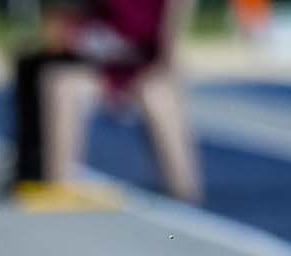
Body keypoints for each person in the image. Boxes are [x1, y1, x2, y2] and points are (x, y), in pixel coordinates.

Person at [11, 0, 201, 202]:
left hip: (147, 68)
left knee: (157, 96)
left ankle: (183, 190)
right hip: (103, 67)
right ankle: (59, 184)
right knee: (61, 85)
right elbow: (73, 30)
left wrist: (163, 68)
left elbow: (168, 51)